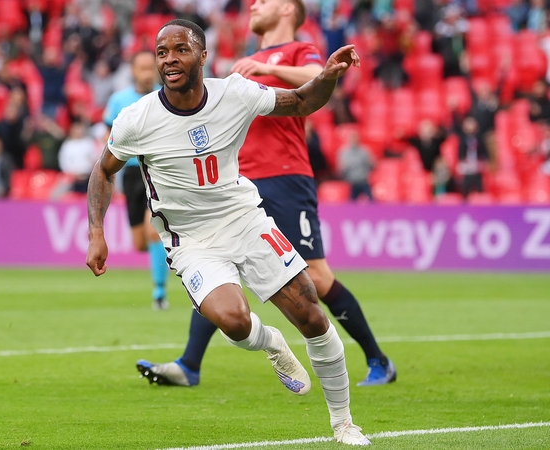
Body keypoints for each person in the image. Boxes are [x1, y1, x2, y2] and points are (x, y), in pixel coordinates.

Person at [86, 19, 370, 445]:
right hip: (191, 241)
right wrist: (97, 231)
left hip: (245, 221)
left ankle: (344, 423)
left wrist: (327, 76)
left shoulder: (233, 93)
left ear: (202, 54)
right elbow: (103, 171)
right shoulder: (136, 119)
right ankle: (271, 343)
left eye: (179, 50)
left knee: (311, 313)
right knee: (234, 321)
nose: (169, 60)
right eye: (162, 52)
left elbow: (299, 102)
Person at [137, 0, 396, 389]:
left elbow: (315, 75)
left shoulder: (296, 49)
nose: (255, 5)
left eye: (266, 1)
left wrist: (268, 68)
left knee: (317, 277)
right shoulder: (248, 58)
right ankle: (190, 363)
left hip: (286, 177)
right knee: (213, 265)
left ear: (289, 10)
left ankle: (379, 360)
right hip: (239, 183)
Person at [101, 50, 169, 310]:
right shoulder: (120, 100)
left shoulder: (165, 98)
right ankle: (168, 261)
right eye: (141, 68)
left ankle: (159, 294)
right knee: (140, 241)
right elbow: (110, 136)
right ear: (133, 71)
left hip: (155, 168)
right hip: (130, 172)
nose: (147, 73)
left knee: (153, 231)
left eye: (150, 67)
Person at [338, 130, 374, 201]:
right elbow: (340, 170)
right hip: (351, 183)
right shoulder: (343, 152)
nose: (354, 141)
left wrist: (370, 163)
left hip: (364, 181)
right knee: (350, 204)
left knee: (371, 202)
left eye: (355, 138)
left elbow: (372, 166)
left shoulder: (365, 151)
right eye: (352, 139)